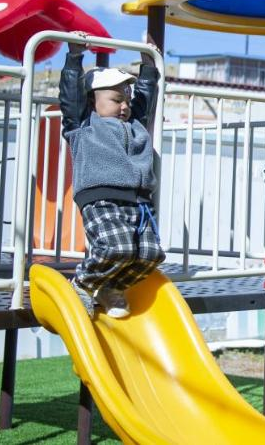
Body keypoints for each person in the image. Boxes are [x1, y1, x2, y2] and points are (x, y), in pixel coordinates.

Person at [60, 32, 164, 319]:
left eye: (126, 100)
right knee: (116, 247)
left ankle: (109, 288)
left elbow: (144, 97)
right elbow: (70, 96)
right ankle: (83, 282)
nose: (125, 106)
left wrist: (148, 67)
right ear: (92, 102)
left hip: (139, 201)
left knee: (150, 254)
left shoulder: (135, 124)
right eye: (116, 100)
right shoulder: (83, 124)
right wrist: (74, 56)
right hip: (101, 196)